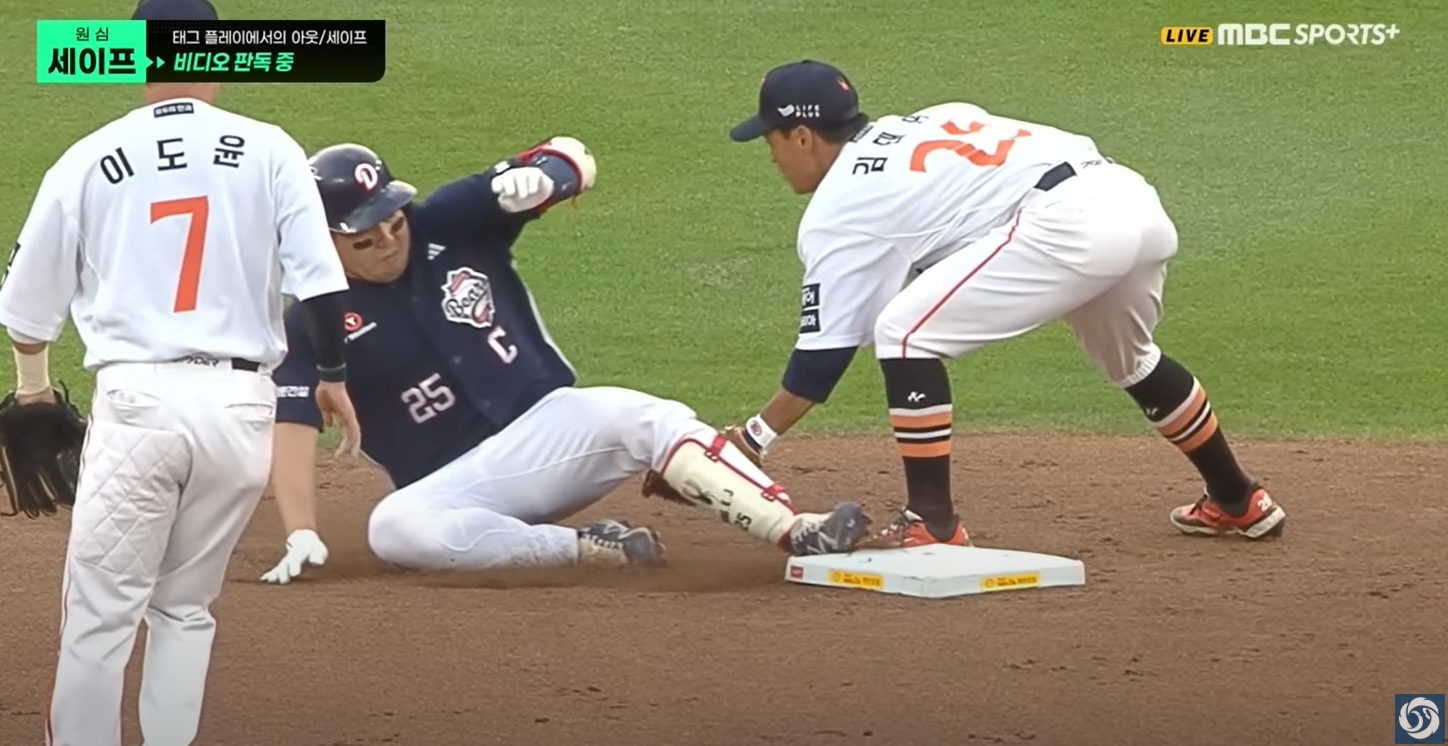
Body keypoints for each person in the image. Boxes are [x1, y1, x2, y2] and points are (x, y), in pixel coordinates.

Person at [720, 59, 1287, 548]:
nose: (771, 157)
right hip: (1134, 201)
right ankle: (1237, 498)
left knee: (905, 335)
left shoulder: (841, 205)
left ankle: (931, 523)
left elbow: (821, 359)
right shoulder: (925, 121)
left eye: (771, 140)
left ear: (802, 136)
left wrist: (754, 438)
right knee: (1132, 360)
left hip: (1069, 224)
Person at [258, 137, 870, 584]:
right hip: (454, 489)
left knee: (638, 415)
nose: (390, 242)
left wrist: (548, 177)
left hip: (550, 433)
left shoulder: (450, 219)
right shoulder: (308, 322)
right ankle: (586, 549)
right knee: (393, 527)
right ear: (323, 242)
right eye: (366, 239)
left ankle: (796, 529)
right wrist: (301, 530)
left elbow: (572, 157)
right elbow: (292, 430)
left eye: (394, 223)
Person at [0, 1, 360, 743]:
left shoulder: (89, 157)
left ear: (137, 58)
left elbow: (27, 311)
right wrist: (331, 373)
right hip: (241, 409)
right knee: (186, 609)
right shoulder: (271, 149)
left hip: (140, 406)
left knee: (101, 616)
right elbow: (321, 285)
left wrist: (33, 387)